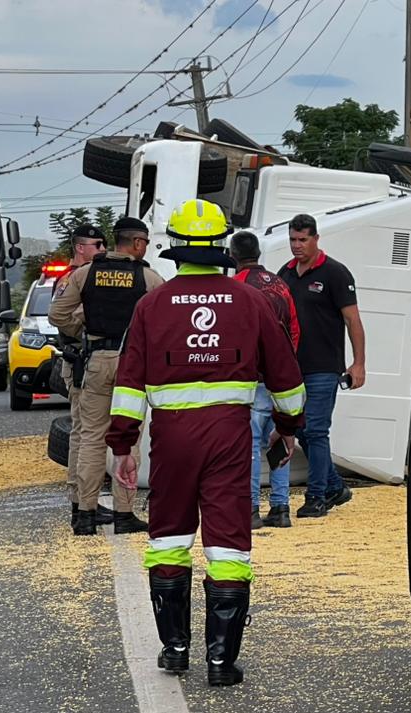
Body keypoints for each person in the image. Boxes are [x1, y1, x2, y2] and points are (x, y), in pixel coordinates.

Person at [106, 199, 306, 687]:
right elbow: (286, 378)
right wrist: (287, 427)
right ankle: (221, 661)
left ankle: (175, 650)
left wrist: (123, 446)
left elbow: (128, 384)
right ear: (221, 244)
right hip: (229, 437)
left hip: (172, 440)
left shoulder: (152, 305)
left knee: (168, 539)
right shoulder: (250, 301)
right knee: (229, 544)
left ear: (175, 244)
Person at [50, 217, 163, 535]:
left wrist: (85, 333)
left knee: (91, 438)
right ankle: (124, 513)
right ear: (137, 243)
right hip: (132, 365)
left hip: (96, 361)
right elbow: (167, 319)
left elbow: (57, 314)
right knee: (129, 438)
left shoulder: (85, 273)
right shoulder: (148, 278)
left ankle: (84, 514)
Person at [277, 213, 365, 519]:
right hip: (292, 368)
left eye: (303, 239)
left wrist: (358, 363)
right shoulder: (286, 273)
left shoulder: (335, 273)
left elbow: (353, 320)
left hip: (324, 367)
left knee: (315, 429)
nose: (297, 245)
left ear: (316, 238)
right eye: (292, 239)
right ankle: (334, 486)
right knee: (299, 429)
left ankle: (316, 496)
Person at [228, 230, 301, 530]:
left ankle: (250, 509)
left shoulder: (236, 286)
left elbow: (233, 332)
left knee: (250, 444)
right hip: (281, 378)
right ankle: (281, 507)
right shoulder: (280, 283)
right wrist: (284, 365)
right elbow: (294, 328)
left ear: (232, 256)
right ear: (258, 253)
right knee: (280, 439)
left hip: (252, 378)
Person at [52, 224, 110, 529]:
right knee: (83, 433)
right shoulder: (71, 278)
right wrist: (90, 333)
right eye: (97, 244)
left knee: (87, 432)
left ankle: (86, 499)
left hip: (88, 360)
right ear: (80, 248)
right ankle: (80, 501)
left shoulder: (92, 275)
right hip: (79, 359)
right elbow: (64, 318)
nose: (103, 250)